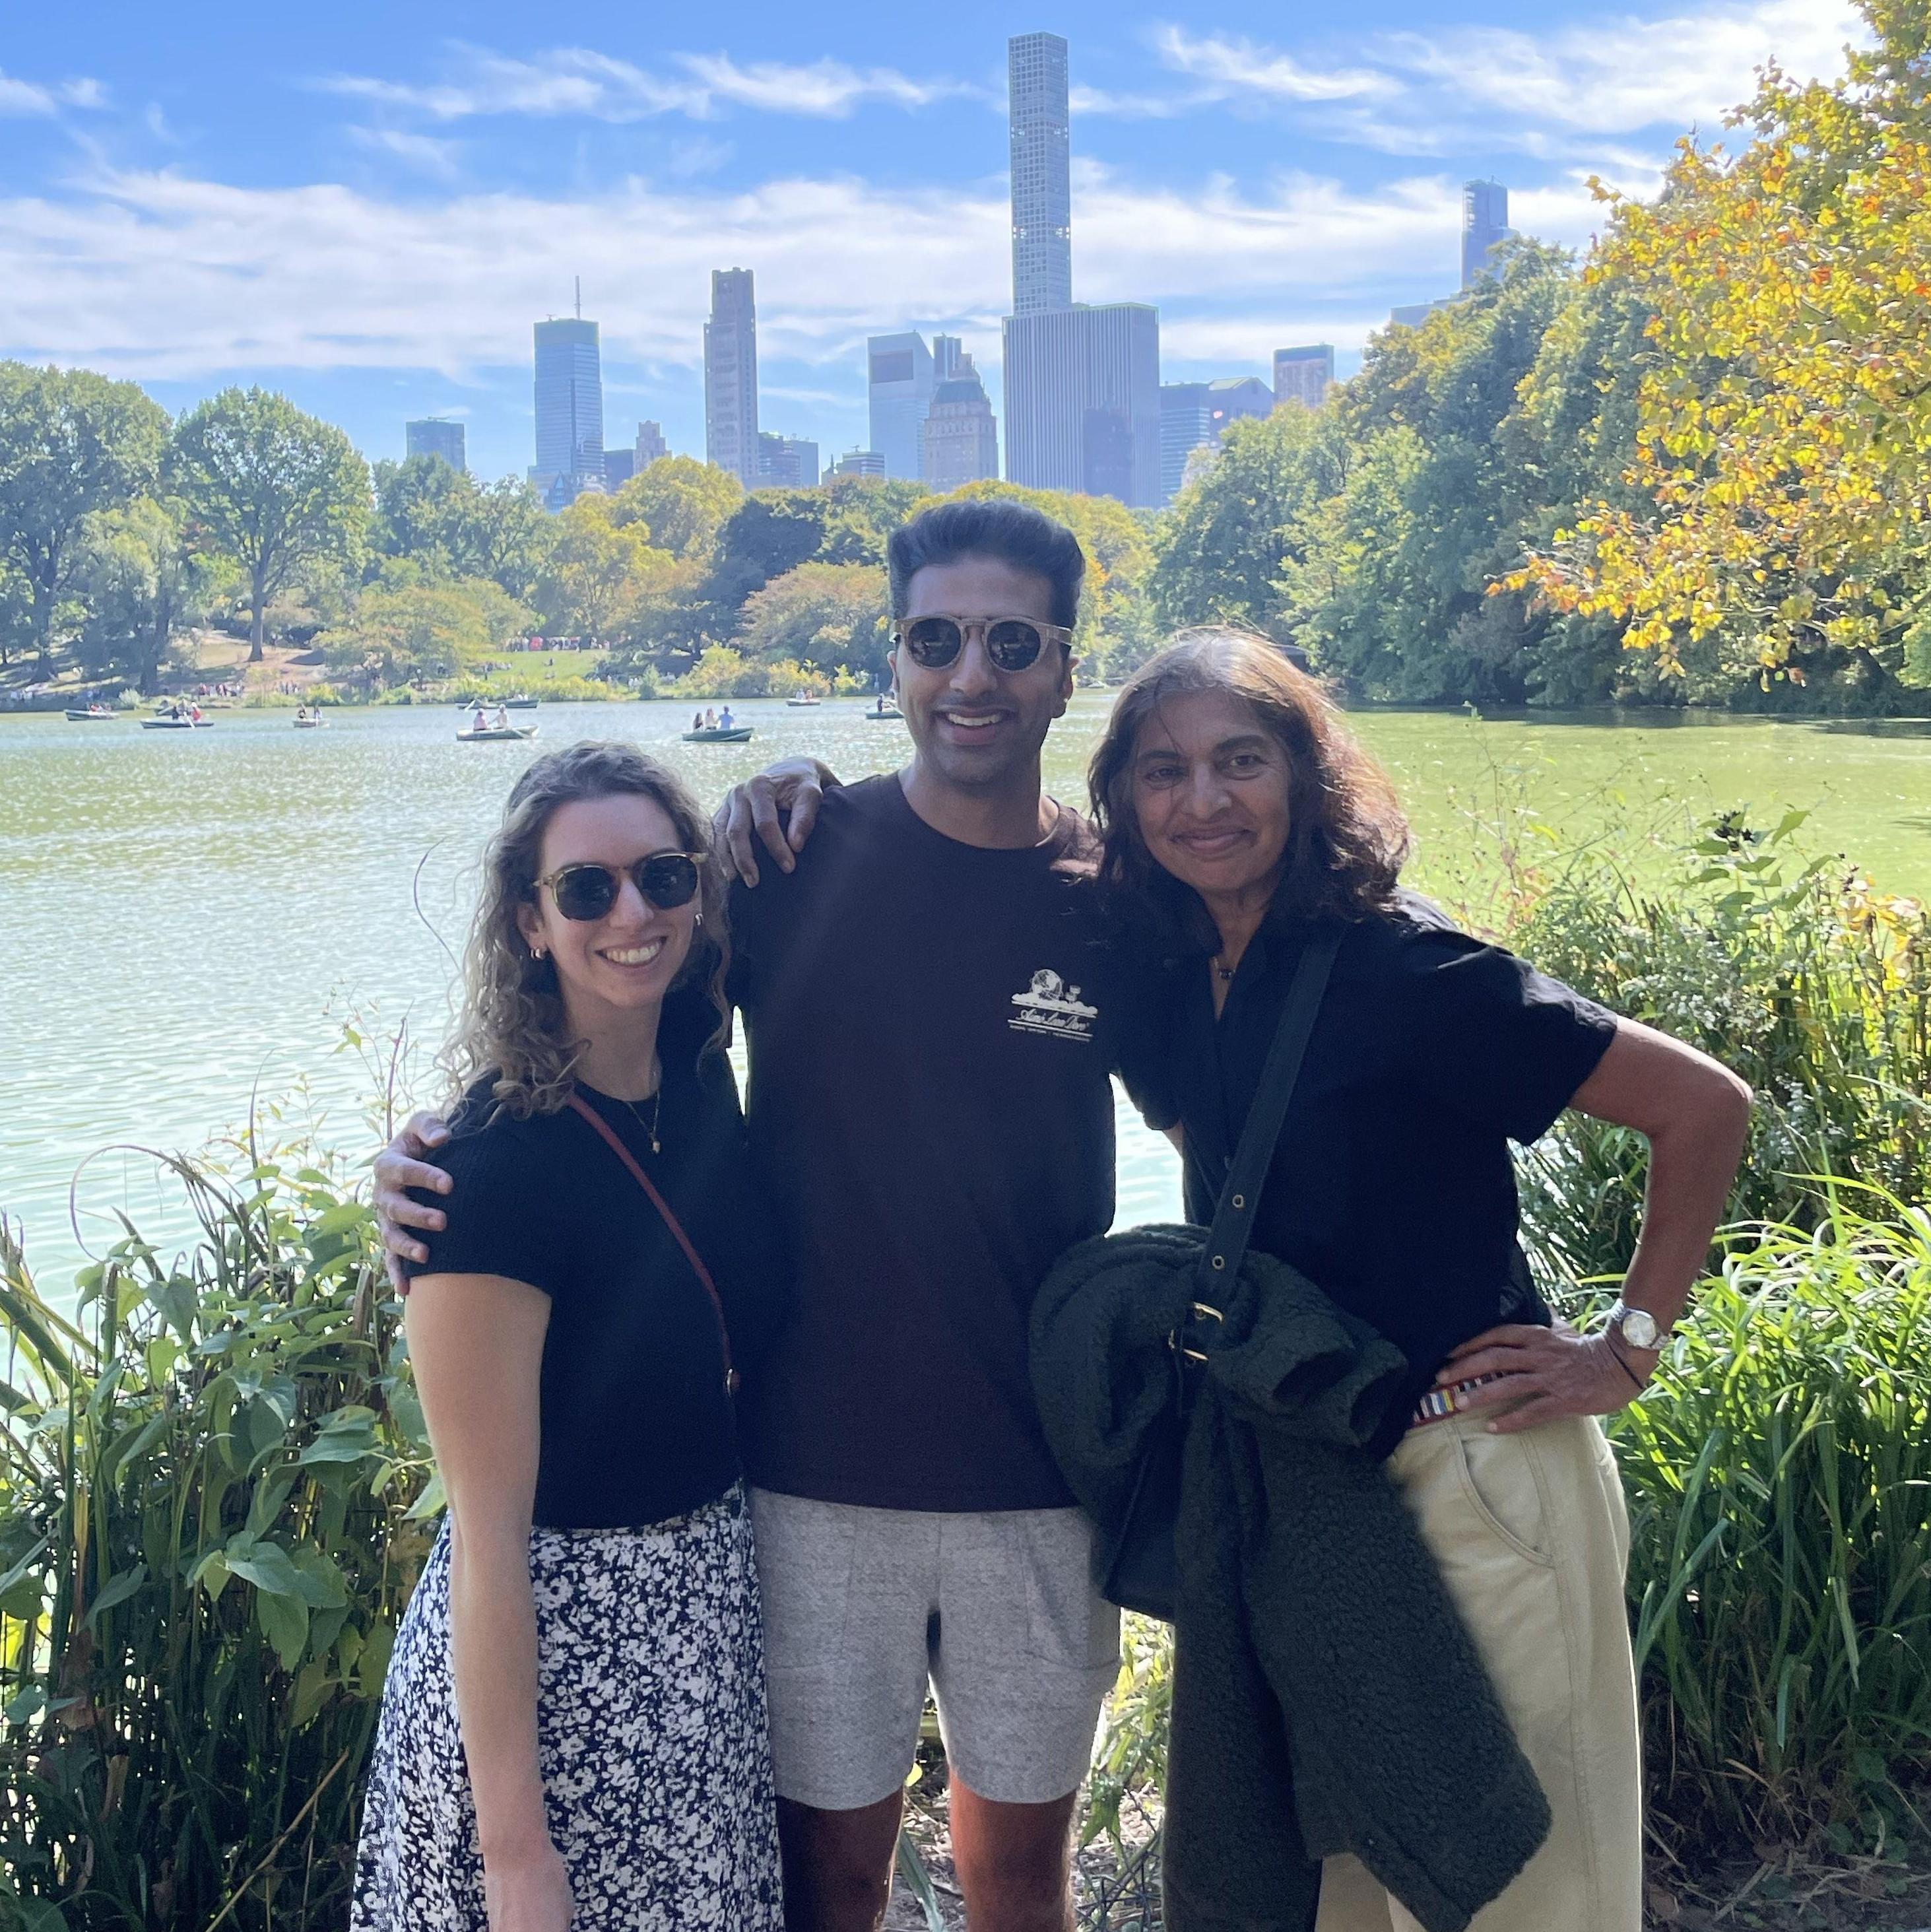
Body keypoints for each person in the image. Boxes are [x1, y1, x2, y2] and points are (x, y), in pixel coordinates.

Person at [381, 501, 1160, 1932]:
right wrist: (434, 1155)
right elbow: (606, 1019)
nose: (970, 674)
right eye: (934, 637)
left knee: (1017, 1881)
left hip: (1039, 1472)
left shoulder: (1116, 897)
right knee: (826, 1886)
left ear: (1064, 668)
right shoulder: (784, 861)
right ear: (894, 656)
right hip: (806, 1481)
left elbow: (1222, 1117)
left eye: (1010, 642)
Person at [1082, 629, 1752, 1932]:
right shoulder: (1168, 979)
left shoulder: (1406, 971)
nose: (1202, 799)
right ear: (1123, 798)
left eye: (1239, 760)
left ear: (1303, 773)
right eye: (1162, 771)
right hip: (1307, 1485)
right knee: (1343, 1890)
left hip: (1474, 1471)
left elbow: (1701, 1107)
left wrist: (1624, 1346)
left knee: (1524, 1896)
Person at [352, 741, 787, 1932]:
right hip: (554, 1682)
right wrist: (514, 1854)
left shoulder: (694, 1061)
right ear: (528, 922)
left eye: (663, 876)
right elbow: (487, 1540)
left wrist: (794, 771)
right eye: (585, 889)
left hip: (699, 1645)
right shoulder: (483, 1178)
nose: (632, 915)